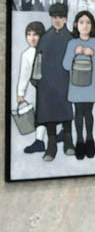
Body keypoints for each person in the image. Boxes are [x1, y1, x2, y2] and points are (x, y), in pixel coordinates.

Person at [32, 3, 75, 161]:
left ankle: (69, 142)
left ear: (65, 19)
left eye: (61, 17)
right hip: (47, 83)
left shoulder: (71, 38)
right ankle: (51, 146)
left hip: (65, 81)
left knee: (66, 111)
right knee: (48, 112)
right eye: (55, 17)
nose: (57, 20)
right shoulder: (45, 38)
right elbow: (38, 60)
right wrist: (37, 80)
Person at [63, 11, 95, 160]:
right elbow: (66, 65)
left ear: (92, 25)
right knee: (78, 113)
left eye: (88, 22)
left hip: (90, 86)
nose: (85, 25)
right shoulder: (72, 43)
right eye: (81, 22)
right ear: (76, 25)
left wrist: (93, 53)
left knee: (88, 113)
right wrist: (74, 53)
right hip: (75, 86)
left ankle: (90, 140)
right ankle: (79, 141)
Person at [17, 21, 49, 155]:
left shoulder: (49, 50)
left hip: (54, 85)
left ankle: (61, 135)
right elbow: (24, 75)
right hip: (39, 86)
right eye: (28, 34)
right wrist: (20, 93)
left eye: (35, 34)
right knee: (42, 114)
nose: (32, 38)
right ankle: (40, 141)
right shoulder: (27, 54)